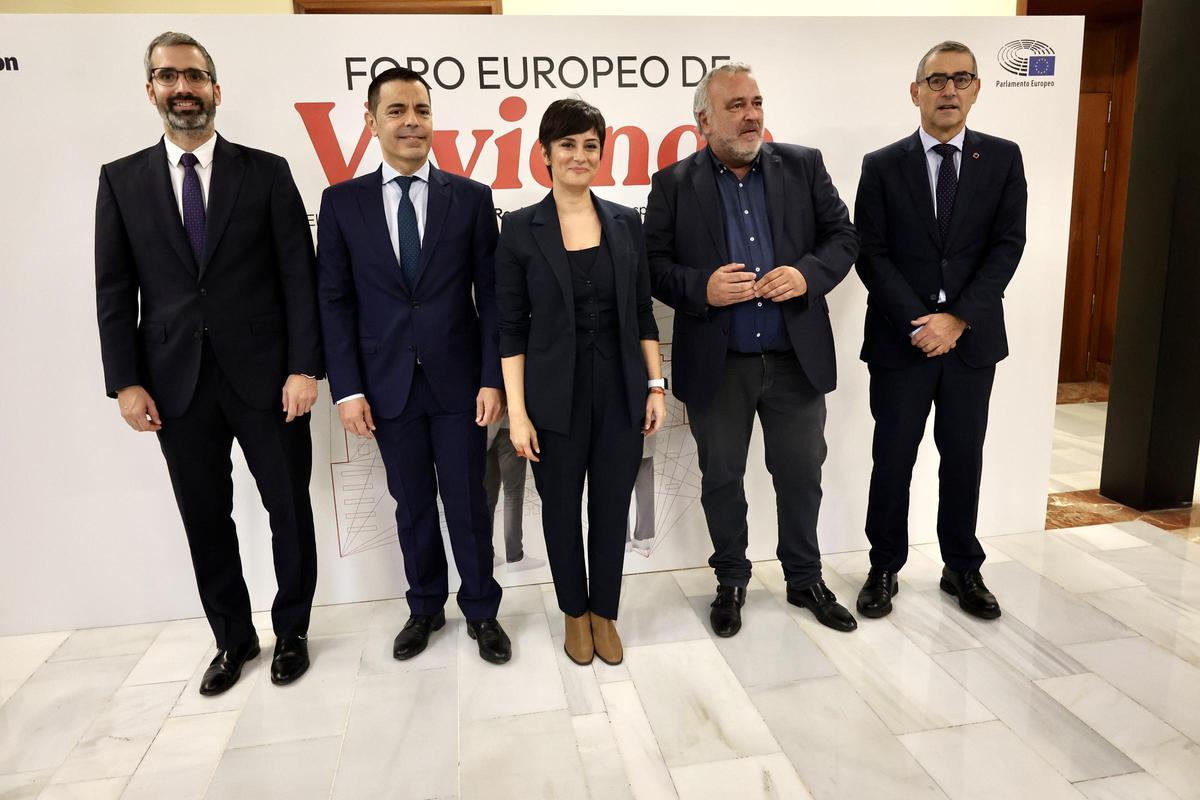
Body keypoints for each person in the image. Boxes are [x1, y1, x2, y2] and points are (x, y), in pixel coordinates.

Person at [95, 32, 322, 695]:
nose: (183, 87)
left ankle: (295, 630)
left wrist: (305, 367)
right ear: (152, 91)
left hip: (268, 377)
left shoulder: (268, 171)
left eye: (194, 76)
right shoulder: (121, 180)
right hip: (173, 383)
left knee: (288, 509)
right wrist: (126, 381)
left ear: (216, 90)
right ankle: (233, 639)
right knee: (204, 516)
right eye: (168, 77)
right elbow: (114, 290)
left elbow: (298, 279)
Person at [645, 63, 860, 636]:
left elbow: (844, 237)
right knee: (722, 480)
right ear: (703, 121)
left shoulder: (804, 165)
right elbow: (654, 267)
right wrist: (703, 289)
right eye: (736, 105)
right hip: (720, 365)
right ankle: (732, 581)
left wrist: (807, 276)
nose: (752, 115)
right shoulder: (671, 184)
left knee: (800, 475)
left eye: (757, 102)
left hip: (795, 359)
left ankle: (805, 578)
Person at [316, 67, 511, 664]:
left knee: (468, 504)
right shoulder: (341, 203)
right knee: (413, 504)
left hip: (459, 385)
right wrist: (347, 389)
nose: (411, 121)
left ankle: (481, 610)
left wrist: (490, 377)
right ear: (372, 122)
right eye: (397, 110)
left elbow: (493, 297)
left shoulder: (471, 198)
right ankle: (425, 605)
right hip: (385, 388)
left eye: (421, 110)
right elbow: (335, 301)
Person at [854, 41, 1027, 621]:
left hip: (971, 343)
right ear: (916, 92)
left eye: (961, 79)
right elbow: (871, 254)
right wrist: (921, 322)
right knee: (893, 457)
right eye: (936, 80)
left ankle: (962, 566)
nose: (948, 90)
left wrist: (958, 319)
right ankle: (884, 566)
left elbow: (1008, 246)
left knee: (963, 458)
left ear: (977, 88)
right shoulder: (881, 165)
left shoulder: (1003, 159)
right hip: (901, 344)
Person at [496, 99, 665, 666]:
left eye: (590, 144)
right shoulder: (520, 228)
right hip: (551, 402)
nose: (579, 155)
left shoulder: (624, 222)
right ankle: (574, 612)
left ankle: (605, 613)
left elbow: (642, 311)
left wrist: (655, 385)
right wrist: (517, 414)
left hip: (619, 395)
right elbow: (510, 329)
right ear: (544, 154)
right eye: (567, 144)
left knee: (611, 509)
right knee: (562, 510)